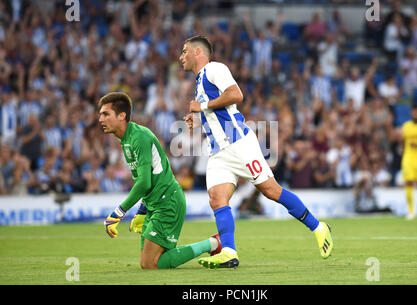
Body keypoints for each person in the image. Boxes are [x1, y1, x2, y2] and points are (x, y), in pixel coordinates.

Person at [180, 35, 333, 269]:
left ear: (197, 52)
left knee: (271, 190)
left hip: (239, 143)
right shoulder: (200, 81)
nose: (181, 57)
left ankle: (318, 227)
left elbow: (236, 95)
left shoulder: (214, 69)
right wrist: (198, 119)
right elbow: (220, 112)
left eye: (184, 51)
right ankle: (229, 252)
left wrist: (201, 106)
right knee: (217, 199)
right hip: (218, 151)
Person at [98, 91, 221, 270]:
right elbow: (150, 178)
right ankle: (213, 243)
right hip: (156, 203)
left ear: (122, 115)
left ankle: (213, 243)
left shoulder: (139, 137)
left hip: (167, 202)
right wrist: (142, 209)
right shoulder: (126, 139)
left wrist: (118, 213)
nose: (100, 119)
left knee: (150, 264)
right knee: (151, 263)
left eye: (105, 114)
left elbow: (144, 183)